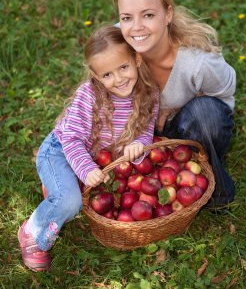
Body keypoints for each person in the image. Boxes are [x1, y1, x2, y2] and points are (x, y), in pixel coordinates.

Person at [18, 25, 159, 272]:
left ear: (136, 59)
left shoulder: (148, 93)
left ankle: (61, 187)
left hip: (96, 156)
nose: (118, 79)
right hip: (60, 151)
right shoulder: (90, 96)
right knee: (71, 202)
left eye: (123, 67)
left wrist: (139, 143)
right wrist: (84, 169)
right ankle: (33, 232)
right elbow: (71, 139)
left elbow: (145, 131)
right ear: (95, 76)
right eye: (107, 75)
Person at [112, 0, 236, 211]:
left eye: (148, 15)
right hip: (140, 129)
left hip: (187, 127)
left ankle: (216, 188)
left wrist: (175, 107)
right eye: (126, 17)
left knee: (205, 114)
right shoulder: (118, 44)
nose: (136, 28)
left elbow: (225, 91)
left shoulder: (197, 64)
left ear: (168, 14)